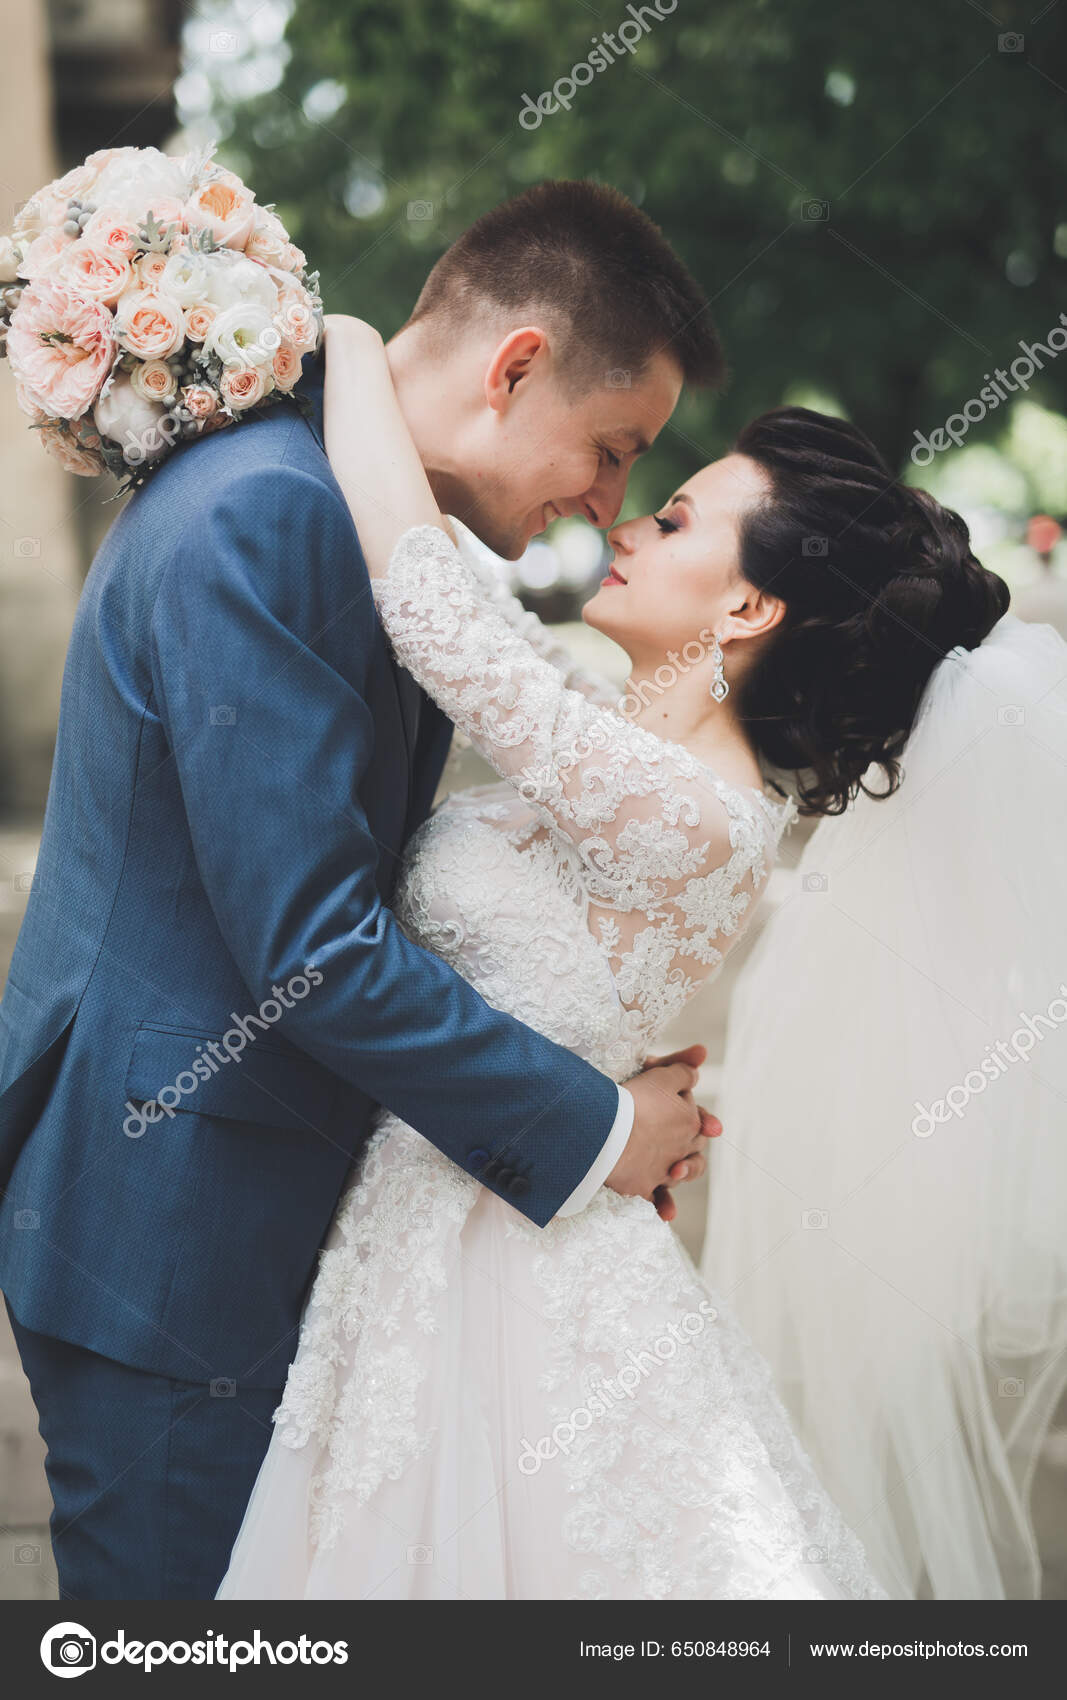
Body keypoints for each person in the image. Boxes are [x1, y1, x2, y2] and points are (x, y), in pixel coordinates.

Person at [0, 181, 724, 1601]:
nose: (606, 503)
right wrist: (594, 1132)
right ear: (514, 366)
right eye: (609, 449)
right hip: (177, 1227)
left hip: (243, 1205)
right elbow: (312, 947)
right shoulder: (273, 511)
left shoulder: (338, 502)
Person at [221, 322, 1003, 1599]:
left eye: (675, 517)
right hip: (436, 1226)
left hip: (512, 1272)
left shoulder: (696, 809)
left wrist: (352, 341)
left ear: (745, 607)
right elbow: (475, 614)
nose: (625, 522)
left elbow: (435, 611)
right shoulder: (620, 741)